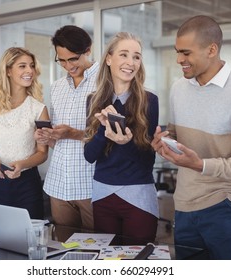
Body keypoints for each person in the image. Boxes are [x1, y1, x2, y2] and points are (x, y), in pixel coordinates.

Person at [151, 15, 231, 259]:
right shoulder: (178, 89)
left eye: (185, 53)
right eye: (177, 52)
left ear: (211, 49)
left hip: (226, 207)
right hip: (184, 204)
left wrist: (201, 165)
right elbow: (176, 135)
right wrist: (163, 141)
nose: (178, 60)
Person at [84, 32, 159, 245]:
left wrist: (125, 143)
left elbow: (148, 158)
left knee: (138, 260)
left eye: (136, 56)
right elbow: (89, 156)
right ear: (109, 59)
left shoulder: (149, 101)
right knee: (108, 262)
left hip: (138, 195)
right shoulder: (94, 100)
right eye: (124, 54)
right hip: (103, 194)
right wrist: (102, 130)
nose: (130, 62)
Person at [34, 25, 98, 232]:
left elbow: (109, 137)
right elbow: (58, 141)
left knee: (97, 250)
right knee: (64, 249)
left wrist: (74, 133)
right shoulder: (57, 87)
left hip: (91, 184)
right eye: (61, 60)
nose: (68, 65)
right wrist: (48, 137)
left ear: (88, 50)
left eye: (73, 59)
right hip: (59, 184)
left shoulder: (106, 82)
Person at [0, 47, 49, 219]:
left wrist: (22, 164)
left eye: (31, 66)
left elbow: (42, 153)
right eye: (22, 66)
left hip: (27, 184)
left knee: (31, 239)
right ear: (8, 70)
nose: (29, 71)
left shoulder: (38, 109)